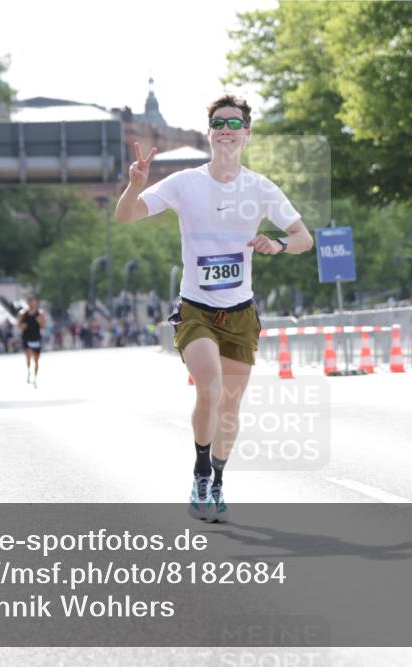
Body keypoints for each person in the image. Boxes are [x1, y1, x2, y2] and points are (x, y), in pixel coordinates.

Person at [115, 94, 313, 522]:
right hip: (196, 309)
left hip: (240, 313)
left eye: (234, 122)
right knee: (209, 385)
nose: (226, 129)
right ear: (210, 133)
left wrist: (276, 243)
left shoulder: (260, 188)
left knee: (230, 408)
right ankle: (200, 472)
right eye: (218, 123)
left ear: (246, 133)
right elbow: (126, 217)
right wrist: (135, 183)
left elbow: (304, 237)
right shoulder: (186, 182)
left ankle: (218, 479)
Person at [18, 297, 46, 387]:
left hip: (36, 338)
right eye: (30, 301)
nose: (31, 303)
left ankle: (35, 377)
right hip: (26, 338)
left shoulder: (40, 314)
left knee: (36, 360)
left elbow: (43, 327)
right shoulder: (23, 313)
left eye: (33, 301)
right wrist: (22, 326)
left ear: (35, 303)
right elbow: (19, 326)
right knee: (28, 356)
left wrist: (40, 321)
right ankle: (29, 371)